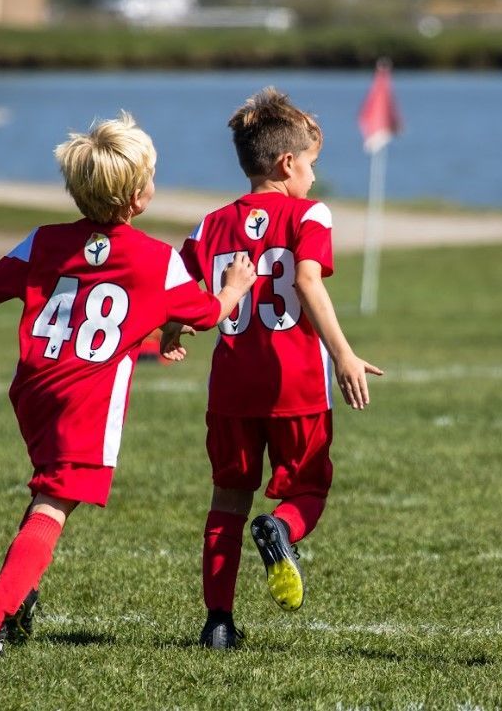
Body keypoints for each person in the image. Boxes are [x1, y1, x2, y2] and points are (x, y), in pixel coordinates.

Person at [0, 112, 255, 656]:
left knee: (50, 486)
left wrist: (46, 273)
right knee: (55, 503)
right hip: (84, 399)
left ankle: (19, 597)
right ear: (138, 197)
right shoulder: (156, 259)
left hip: (34, 387)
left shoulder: (43, 240)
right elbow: (209, 313)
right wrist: (234, 287)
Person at [162, 87, 383, 650]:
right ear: (288, 163)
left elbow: (182, 294)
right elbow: (306, 281)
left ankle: (217, 622)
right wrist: (342, 352)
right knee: (309, 487)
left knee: (226, 500)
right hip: (296, 385)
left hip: (232, 388)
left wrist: (171, 329)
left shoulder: (209, 224)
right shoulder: (311, 213)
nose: (313, 175)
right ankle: (281, 528)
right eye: (312, 163)